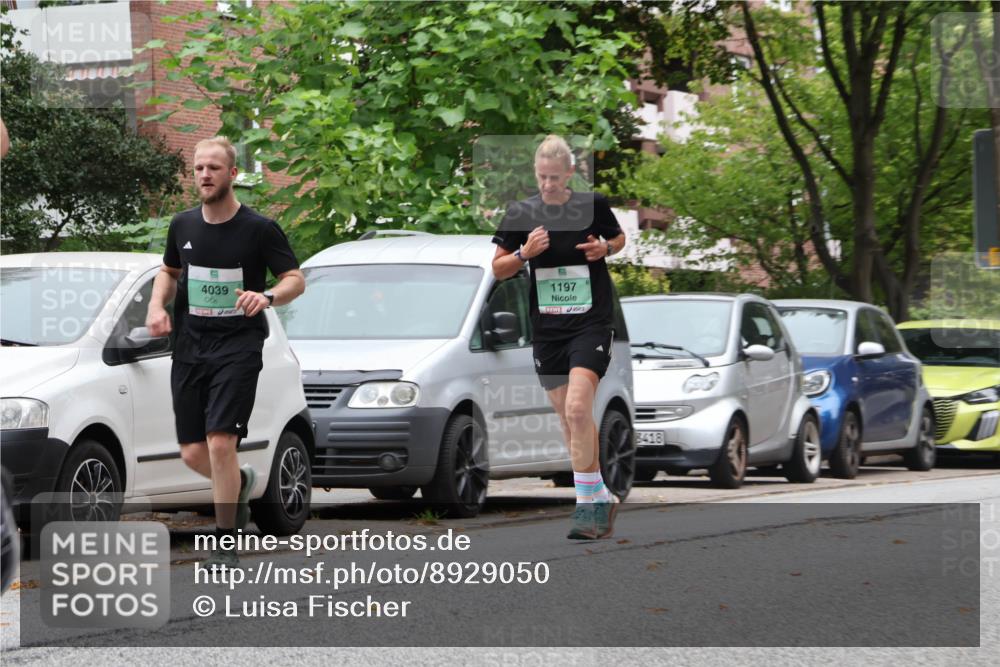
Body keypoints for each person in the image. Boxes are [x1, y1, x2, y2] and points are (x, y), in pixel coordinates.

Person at [146, 136, 305, 568]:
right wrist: (157, 306)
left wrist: (268, 296)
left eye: (214, 168)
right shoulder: (183, 225)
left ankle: (225, 540)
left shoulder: (259, 229)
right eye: (199, 168)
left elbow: (295, 277)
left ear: (233, 174)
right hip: (191, 348)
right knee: (193, 453)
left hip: (238, 347)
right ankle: (239, 482)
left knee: (220, 443)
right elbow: (169, 270)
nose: (204, 175)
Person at [491, 135, 627, 540]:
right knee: (569, 420)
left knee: (577, 410)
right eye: (541, 176)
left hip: (591, 323)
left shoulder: (592, 205)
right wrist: (524, 253)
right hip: (548, 331)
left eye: (555, 176)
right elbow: (498, 269)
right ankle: (600, 493)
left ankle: (586, 507)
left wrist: (605, 248)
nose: (548, 184)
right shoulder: (522, 212)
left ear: (570, 173)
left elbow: (619, 239)